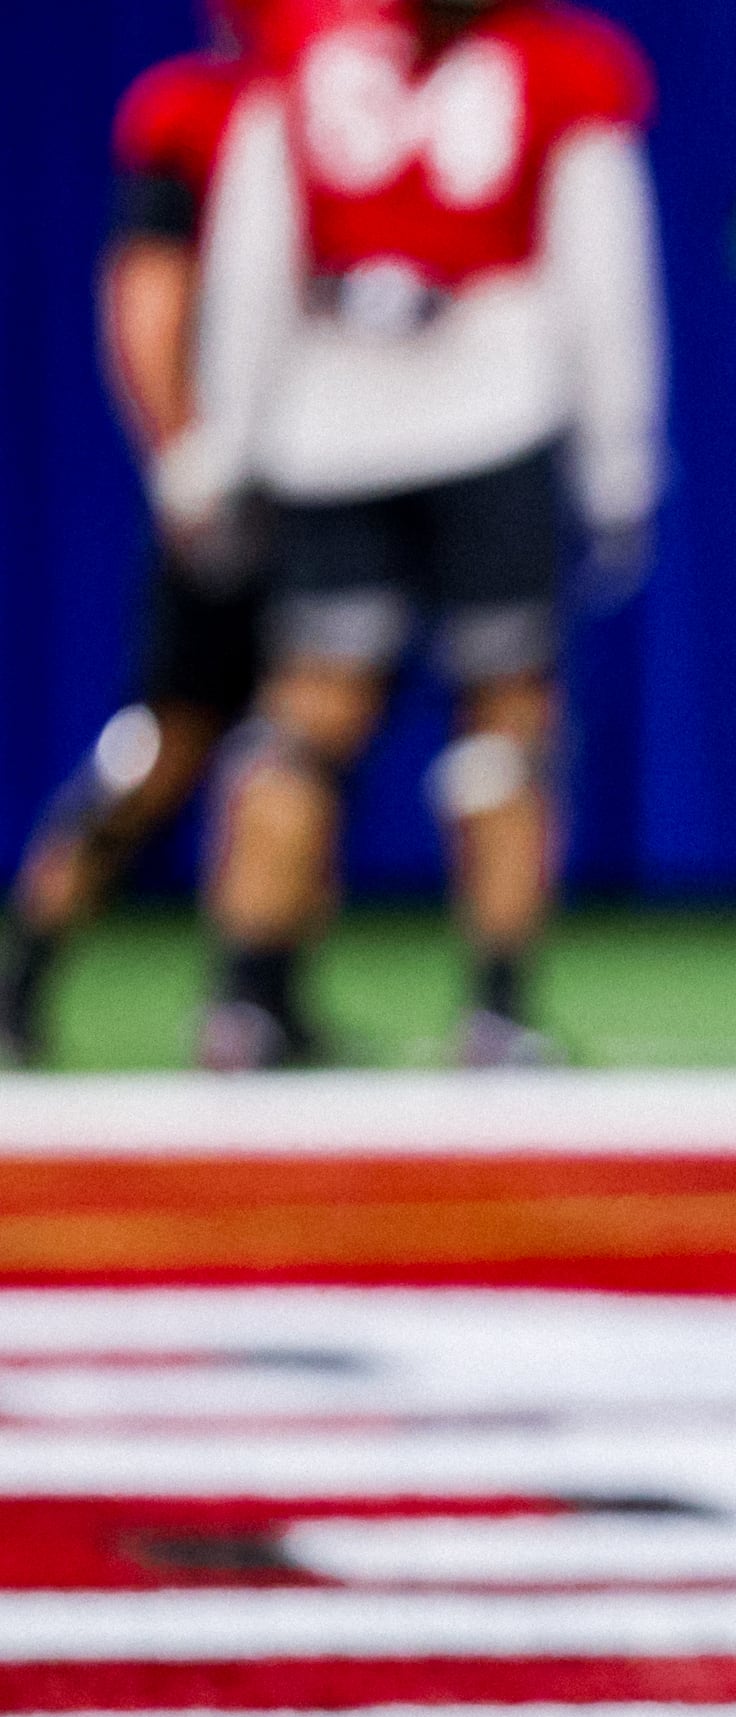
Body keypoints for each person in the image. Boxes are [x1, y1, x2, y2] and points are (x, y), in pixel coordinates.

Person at [161, 0, 662, 1069]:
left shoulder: (302, 54)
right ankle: (495, 1007)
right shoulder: (559, 65)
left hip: (333, 423)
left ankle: (249, 997)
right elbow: (603, 273)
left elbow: (255, 262)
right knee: (504, 716)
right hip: (493, 412)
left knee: (310, 712)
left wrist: (228, 442)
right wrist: (619, 460)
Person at [2, 0, 277, 1069]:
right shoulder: (195, 112)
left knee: (300, 736)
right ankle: (29, 964)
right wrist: (183, 457)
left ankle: (262, 991)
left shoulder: (368, 109)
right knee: (171, 732)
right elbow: (149, 297)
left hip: (335, 470)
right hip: (227, 480)